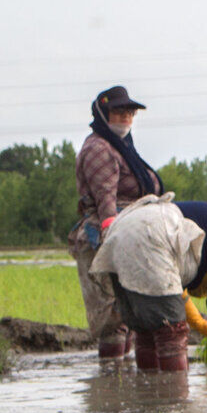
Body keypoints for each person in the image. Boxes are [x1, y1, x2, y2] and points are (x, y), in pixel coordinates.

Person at [90, 197, 207, 371]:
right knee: (171, 333)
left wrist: (200, 324)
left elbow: (172, 288)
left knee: (147, 329)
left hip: (121, 229)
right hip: (153, 233)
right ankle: (174, 404)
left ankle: (147, 400)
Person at [68, 85, 163, 359]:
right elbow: (105, 198)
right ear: (103, 114)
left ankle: (125, 388)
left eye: (130, 112)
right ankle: (110, 389)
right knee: (114, 318)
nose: (126, 118)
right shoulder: (99, 148)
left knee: (132, 316)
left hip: (131, 232)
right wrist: (113, 235)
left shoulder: (123, 148)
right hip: (105, 235)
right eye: (118, 112)